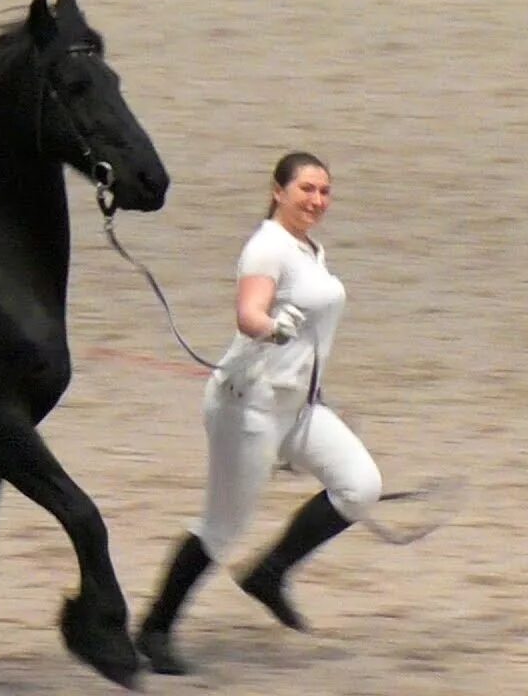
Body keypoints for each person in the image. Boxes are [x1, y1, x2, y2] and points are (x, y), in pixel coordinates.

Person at [134, 151, 383, 675]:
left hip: (298, 405)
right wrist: (273, 326)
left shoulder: (309, 248)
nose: (317, 200)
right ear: (278, 191)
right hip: (249, 406)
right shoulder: (267, 246)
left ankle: (269, 573)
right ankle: (154, 629)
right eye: (306, 190)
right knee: (223, 527)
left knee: (360, 486)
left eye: (324, 191)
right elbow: (249, 313)